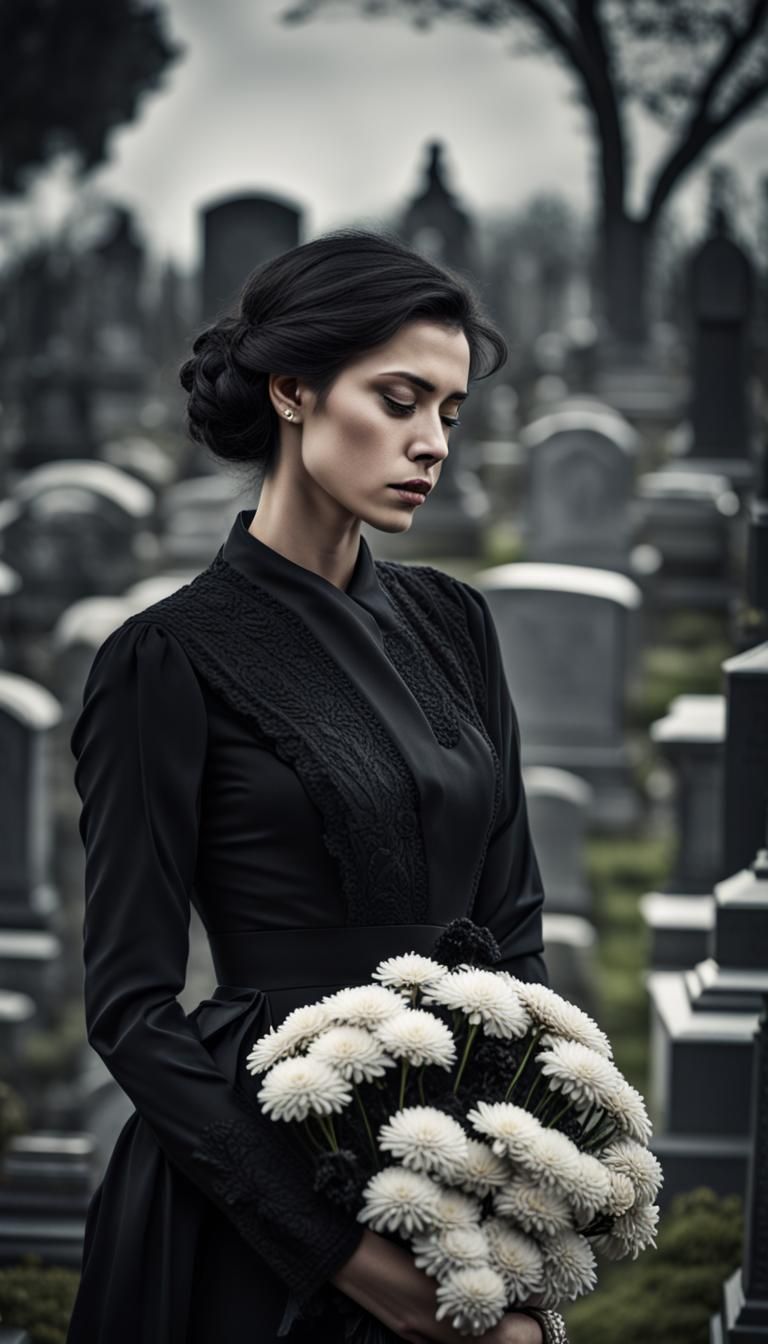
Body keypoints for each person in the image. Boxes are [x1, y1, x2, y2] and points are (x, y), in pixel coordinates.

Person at [66, 230, 563, 1344]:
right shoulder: (165, 659)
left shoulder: (453, 624)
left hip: (456, 1159)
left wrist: (515, 1206)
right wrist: (353, 1262)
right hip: (258, 1191)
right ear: (293, 391)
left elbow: (515, 928)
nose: (431, 442)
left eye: (449, 410)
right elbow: (131, 1011)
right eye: (398, 400)